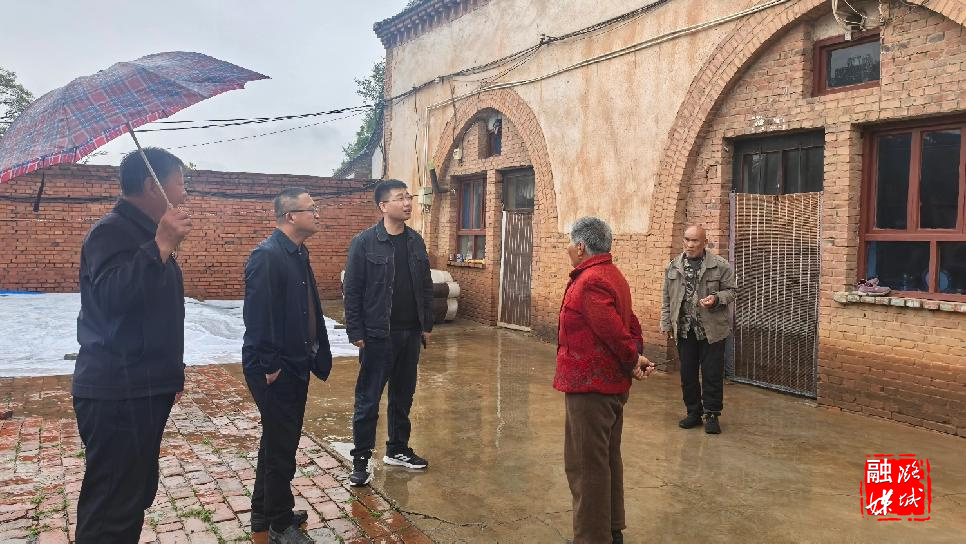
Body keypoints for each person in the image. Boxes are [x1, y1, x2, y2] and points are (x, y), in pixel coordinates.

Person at [73, 147, 191, 543]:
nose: (184, 193)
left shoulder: (143, 233)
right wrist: (159, 246)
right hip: (117, 393)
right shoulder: (111, 232)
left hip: (143, 386)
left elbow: (151, 315)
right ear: (151, 185)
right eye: (179, 183)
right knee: (111, 506)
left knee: (132, 495)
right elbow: (112, 300)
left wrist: (170, 374)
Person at [554, 216, 654, 544]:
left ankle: (592, 538)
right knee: (605, 460)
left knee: (585, 467)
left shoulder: (590, 281)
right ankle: (611, 530)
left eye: (570, 243)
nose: (568, 248)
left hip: (591, 388)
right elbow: (631, 324)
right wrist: (634, 357)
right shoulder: (612, 274)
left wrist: (632, 359)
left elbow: (614, 331)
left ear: (581, 247)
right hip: (608, 386)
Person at [242, 187, 333, 544]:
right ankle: (280, 524)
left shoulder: (297, 252)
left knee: (277, 440)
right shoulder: (267, 256)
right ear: (291, 216)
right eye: (312, 208)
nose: (317, 214)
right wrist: (270, 364)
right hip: (274, 367)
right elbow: (257, 315)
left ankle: (263, 512)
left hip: (296, 361)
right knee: (281, 446)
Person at [343, 179, 434, 487]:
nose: (407, 203)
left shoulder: (415, 241)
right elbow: (352, 290)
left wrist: (426, 325)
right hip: (377, 335)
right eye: (400, 198)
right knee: (368, 400)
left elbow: (425, 286)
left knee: (402, 396)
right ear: (383, 206)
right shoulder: (364, 242)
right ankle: (360, 459)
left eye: (409, 197)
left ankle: (397, 449)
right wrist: (355, 330)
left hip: (410, 333)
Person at [660, 225, 737, 434]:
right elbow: (666, 298)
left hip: (712, 330)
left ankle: (712, 414)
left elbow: (732, 291)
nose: (690, 244)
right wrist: (666, 323)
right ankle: (693, 412)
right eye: (687, 239)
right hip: (685, 330)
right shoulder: (673, 267)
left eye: (695, 241)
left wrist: (716, 299)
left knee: (712, 374)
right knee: (688, 374)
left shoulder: (720, 265)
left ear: (705, 243)